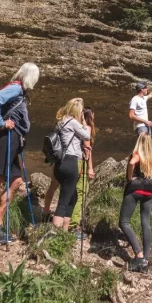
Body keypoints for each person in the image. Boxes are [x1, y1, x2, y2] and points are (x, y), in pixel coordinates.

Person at [0, 63, 39, 245]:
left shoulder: (21, 92)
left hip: (14, 139)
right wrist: (1, 122)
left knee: (16, 180)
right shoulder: (16, 88)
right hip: (6, 138)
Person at [119, 133, 152, 272]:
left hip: (136, 190)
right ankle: (146, 261)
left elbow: (131, 163)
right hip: (149, 191)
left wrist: (130, 178)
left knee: (124, 222)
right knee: (145, 222)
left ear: (139, 142)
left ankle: (139, 255)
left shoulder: (137, 154)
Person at [50, 97, 90, 229]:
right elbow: (87, 135)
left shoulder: (60, 122)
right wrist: (84, 122)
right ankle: (55, 235)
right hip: (70, 163)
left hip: (59, 164)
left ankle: (65, 231)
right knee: (63, 201)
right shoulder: (72, 122)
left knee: (73, 198)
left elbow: (68, 141)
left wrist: (81, 148)